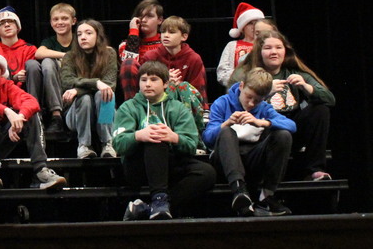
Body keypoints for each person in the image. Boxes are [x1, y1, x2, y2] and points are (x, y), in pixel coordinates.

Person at [113, 61, 216, 220]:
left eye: (153, 80)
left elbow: (191, 144)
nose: (148, 84)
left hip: (170, 163)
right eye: (143, 80)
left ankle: (148, 208)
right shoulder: (128, 107)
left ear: (166, 83)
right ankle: (159, 199)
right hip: (138, 166)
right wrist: (138, 135)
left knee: (207, 173)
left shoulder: (178, 108)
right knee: (155, 137)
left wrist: (174, 137)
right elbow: (118, 143)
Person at [233, 31, 335, 181]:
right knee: (278, 131)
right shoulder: (249, 75)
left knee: (320, 109)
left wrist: (306, 86)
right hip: (263, 131)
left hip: (291, 128)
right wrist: (266, 92)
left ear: (285, 51)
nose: (274, 52)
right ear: (260, 52)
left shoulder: (294, 73)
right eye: (268, 48)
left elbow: (330, 99)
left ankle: (315, 170)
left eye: (278, 47)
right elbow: (239, 105)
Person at [0, 52, 66, 193]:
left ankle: (41, 170)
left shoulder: (7, 85)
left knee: (31, 114)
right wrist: (7, 111)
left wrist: (19, 117)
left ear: (2, 71)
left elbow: (31, 102)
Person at [203, 68, 297, 216]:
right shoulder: (222, 103)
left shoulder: (264, 108)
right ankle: (239, 191)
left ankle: (266, 197)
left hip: (252, 158)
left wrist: (262, 122)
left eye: (258, 100)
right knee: (226, 131)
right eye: (249, 97)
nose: (252, 103)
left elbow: (292, 126)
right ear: (241, 86)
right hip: (224, 161)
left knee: (283, 135)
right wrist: (226, 123)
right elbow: (207, 138)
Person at [61, 19, 118, 159]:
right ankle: (84, 145)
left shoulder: (109, 54)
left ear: (98, 36)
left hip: (105, 112)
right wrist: (96, 83)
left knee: (104, 93)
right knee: (85, 98)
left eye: (88, 33)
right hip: (77, 115)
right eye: (79, 34)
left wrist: (79, 89)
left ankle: (108, 143)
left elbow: (110, 84)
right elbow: (67, 82)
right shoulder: (70, 56)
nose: (83, 37)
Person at [29, 3, 77, 135]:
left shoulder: (80, 40)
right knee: (47, 62)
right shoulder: (49, 41)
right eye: (56, 19)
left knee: (48, 61)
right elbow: (39, 53)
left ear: (73, 21)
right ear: (51, 23)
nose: (60, 22)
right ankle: (56, 115)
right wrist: (66, 56)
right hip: (53, 91)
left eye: (64, 18)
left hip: (73, 88)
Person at [117, 0, 164, 100]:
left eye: (149, 16)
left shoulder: (166, 43)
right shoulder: (124, 44)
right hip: (137, 92)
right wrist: (133, 31)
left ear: (160, 20)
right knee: (128, 63)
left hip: (163, 88)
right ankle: (133, 109)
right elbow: (127, 67)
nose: (143, 20)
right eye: (140, 16)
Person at [216, 2, 266, 87]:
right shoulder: (232, 45)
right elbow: (222, 73)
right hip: (237, 88)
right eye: (250, 23)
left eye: (257, 22)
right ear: (242, 28)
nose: (254, 26)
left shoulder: (266, 44)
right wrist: (240, 81)